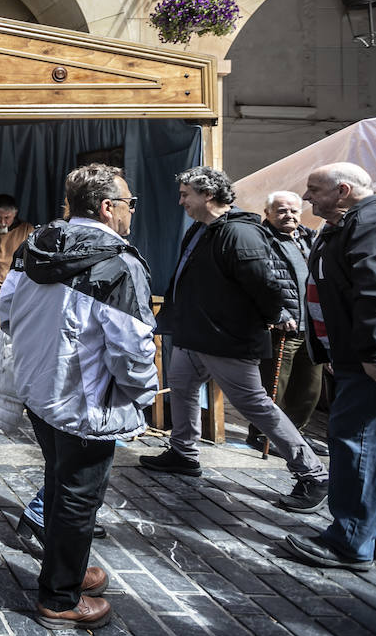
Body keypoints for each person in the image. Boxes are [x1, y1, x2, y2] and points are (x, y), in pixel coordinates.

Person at [0, 164, 157, 631]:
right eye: (129, 203)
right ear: (108, 208)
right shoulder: (119, 263)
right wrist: (144, 392)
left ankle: (67, 566)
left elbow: (6, 312)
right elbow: (132, 347)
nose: (131, 212)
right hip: (89, 400)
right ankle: (60, 597)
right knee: (77, 498)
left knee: (59, 483)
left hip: (41, 391)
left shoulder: (35, 246)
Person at [139, 167, 328, 512]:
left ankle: (312, 474)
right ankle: (184, 453)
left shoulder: (240, 233)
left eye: (186, 194)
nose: (181, 201)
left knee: (256, 405)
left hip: (226, 338)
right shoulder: (202, 229)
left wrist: (278, 314)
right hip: (195, 334)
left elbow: (262, 282)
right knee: (181, 387)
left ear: (208, 196)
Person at [284, 162, 376, 570]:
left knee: (361, 444)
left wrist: (372, 355)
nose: (307, 197)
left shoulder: (375, 225)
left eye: (315, 189)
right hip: (360, 357)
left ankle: (349, 542)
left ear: (344, 190)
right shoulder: (356, 223)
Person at [247, 191, 325, 455]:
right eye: (281, 211)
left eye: (293, 210)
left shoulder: (308, 238)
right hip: (282, 327)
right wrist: (277, 314)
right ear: (267, 213)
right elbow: (258, 280)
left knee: (309, 388)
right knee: (274, 386)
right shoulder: (261, 239)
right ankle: (263, 434)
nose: (288, 215)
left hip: (311, 326)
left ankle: (295, 435)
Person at [0, 193, 34, 297]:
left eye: (7, 217)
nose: (2, 222)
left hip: (16, 290)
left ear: (15, 214)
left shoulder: (26, 230)